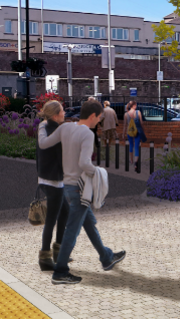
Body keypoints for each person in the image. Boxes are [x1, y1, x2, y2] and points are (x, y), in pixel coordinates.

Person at [38, 100, 126, 284]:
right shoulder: (87, 133)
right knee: (72, 230)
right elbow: (84, 163)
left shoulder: (65, 128)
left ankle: (106, 257)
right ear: (93, 116)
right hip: (80, 188)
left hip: (68, 187)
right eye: (100, 118)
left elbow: (44, 144)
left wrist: (42, 124)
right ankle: (60, 272)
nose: (99, 122)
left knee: (89, 223)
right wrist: (100, 173)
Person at [36, 101, 70, 272]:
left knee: (64, 212)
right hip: (53, 181)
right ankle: (45, 257)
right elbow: (61, 158)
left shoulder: (45, 127)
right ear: (56, 115)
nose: (64, 113)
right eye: (62, 111)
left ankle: (59, 251)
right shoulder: (54, 132)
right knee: (51, 220)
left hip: (48, 179)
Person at [122, 100, 147, 173]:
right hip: (137, 132)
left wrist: (123, 134)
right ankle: (136, 163)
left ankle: (131, 160)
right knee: (136, 147)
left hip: (129, 132)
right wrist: (143, 131)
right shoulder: (138, 112)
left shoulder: (126, 114)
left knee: (131, 145)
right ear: (134, 105)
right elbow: (141, 123)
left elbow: (124, 126)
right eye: (136, 105)